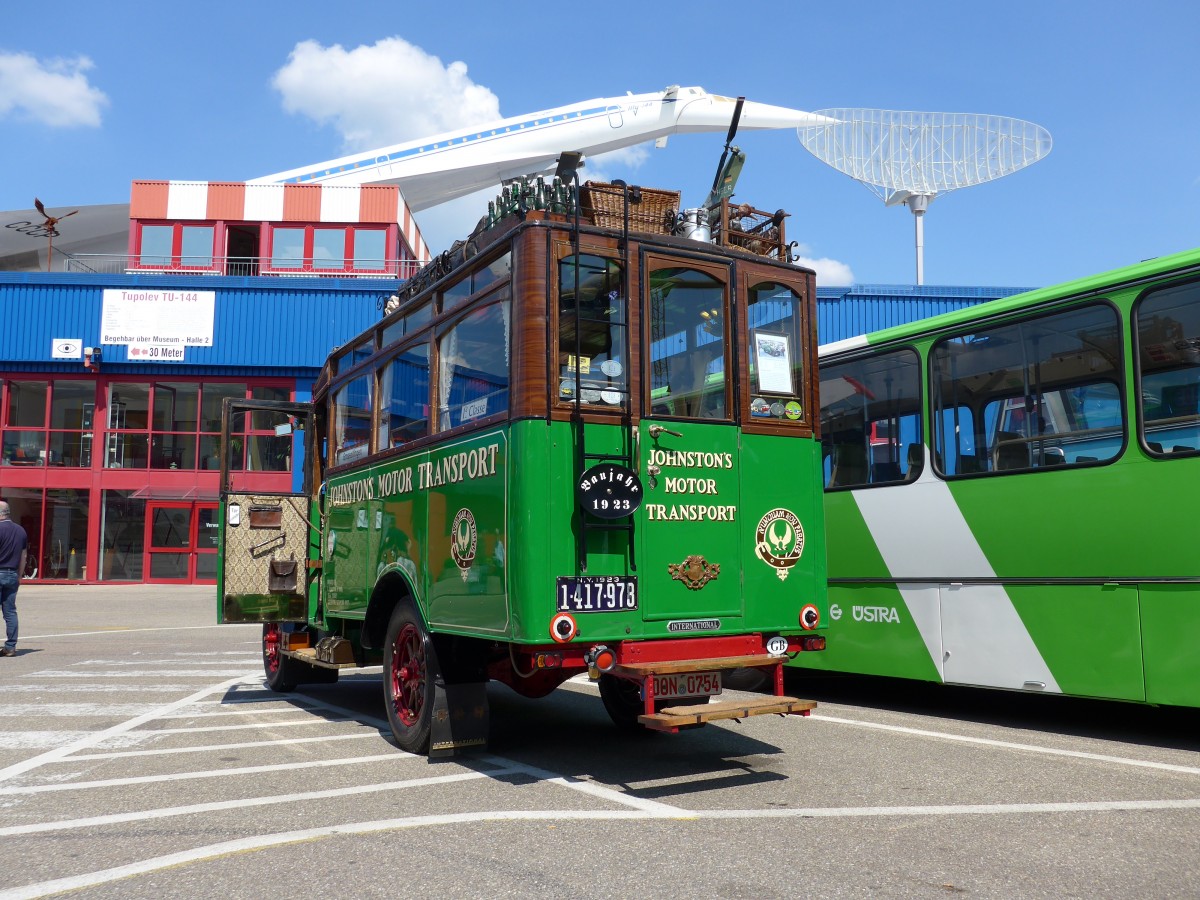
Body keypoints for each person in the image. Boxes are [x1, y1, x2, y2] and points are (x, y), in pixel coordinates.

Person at [0, 500, 28, 657]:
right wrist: (19, 575)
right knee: (10, 611)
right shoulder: (20, 531)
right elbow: (24, 555)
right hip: (12, 574)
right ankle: (10, 646)